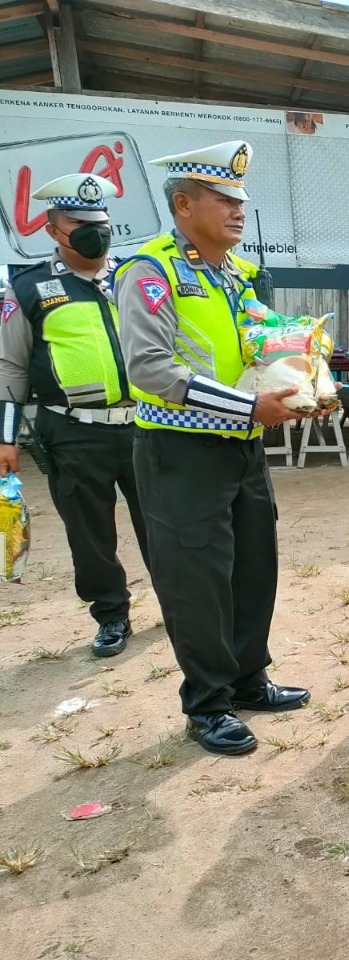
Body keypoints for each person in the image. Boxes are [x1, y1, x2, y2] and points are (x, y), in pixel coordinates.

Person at [115, 141, 311, 756]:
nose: (237, 210)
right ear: (183, 204)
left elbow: (263, 344)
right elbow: (150, 368)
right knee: (196, 581)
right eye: (223, 199)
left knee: (254, 568)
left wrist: (304, 380)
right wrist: (249, 406)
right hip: (181, 452)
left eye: (240, 200)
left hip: (243, 450)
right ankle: (207, 703)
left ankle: (249, 679)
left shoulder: (235, 275)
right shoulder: (151, 272)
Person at [0, 174, 150, 657]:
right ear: (53, 230)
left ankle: (181, 601)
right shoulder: (28, 288)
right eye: (81, 226)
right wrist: (5, 438)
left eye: (102, 225)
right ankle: (111, 614)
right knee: (89, 534)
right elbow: (9, 366)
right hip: (72, 431)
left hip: (146, 425)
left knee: (166, 521)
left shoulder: (135, 277)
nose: (96, 235)